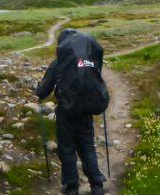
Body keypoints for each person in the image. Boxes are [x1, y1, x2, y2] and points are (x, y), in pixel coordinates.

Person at [35, 28, 108, 195]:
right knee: (87, 146)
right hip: (87, 110)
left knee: (67, 148)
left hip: (67, 111)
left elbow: (45, 88)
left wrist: (38, 93)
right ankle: (97, 184)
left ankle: (71, 186)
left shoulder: (60, 62)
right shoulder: (91, 60)